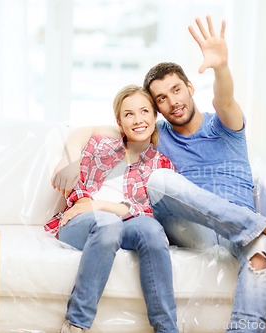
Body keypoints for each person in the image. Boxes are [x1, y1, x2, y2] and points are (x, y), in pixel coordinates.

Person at [52, 16, 266, 333]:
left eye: (176, 90)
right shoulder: (156, 132)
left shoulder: (225, 124)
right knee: (159, 181)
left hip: (239, 224)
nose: (173, 102)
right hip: (193, 229)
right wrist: (69, 156)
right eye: (162, 99)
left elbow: (224, 98)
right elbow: (97, 128)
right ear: (157, 109)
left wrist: (221, 67)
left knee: (260, 249)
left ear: (190, 87)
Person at [45, 85, 179, 333]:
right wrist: (86, 202)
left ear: (154, 116)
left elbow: (149, 211)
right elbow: (75, 184)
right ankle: (76, 324)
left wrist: (103, 205)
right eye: (129, 114)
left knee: (151, 229)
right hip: (82, 221)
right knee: (108, 226)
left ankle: (167, 329)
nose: (138, 120)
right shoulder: (100, 146)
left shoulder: (162, 165)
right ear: (119, 122)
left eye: (144, 112)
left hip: (125, 222)